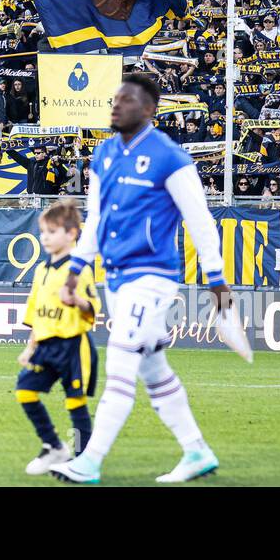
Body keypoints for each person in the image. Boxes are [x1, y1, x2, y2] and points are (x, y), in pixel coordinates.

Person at [50, 74, 229, 485]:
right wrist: (76, 269)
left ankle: (89, 461)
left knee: (121, 361)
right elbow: (96, 220)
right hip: (117, 277)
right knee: (155, 371)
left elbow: (200, 219)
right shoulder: (104, 155)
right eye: (115, 99)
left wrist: (215, 275)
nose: (116, 105)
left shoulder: (170, 157)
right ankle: (197, 451)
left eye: (126, 100)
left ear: (149, 110)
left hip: (153, 277)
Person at [16, 201, 100, 475]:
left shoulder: (79, 270)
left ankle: (82, 460)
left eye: (52, 231)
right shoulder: (41, 270)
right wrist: (30, 346)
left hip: (73, 345)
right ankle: (54, 446)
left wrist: (76, 300)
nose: (46, 237)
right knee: (25, 391)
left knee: (75, 403)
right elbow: (35, 313)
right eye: (43, 232)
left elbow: (92, 309)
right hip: (45, 345)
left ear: (72, 233)